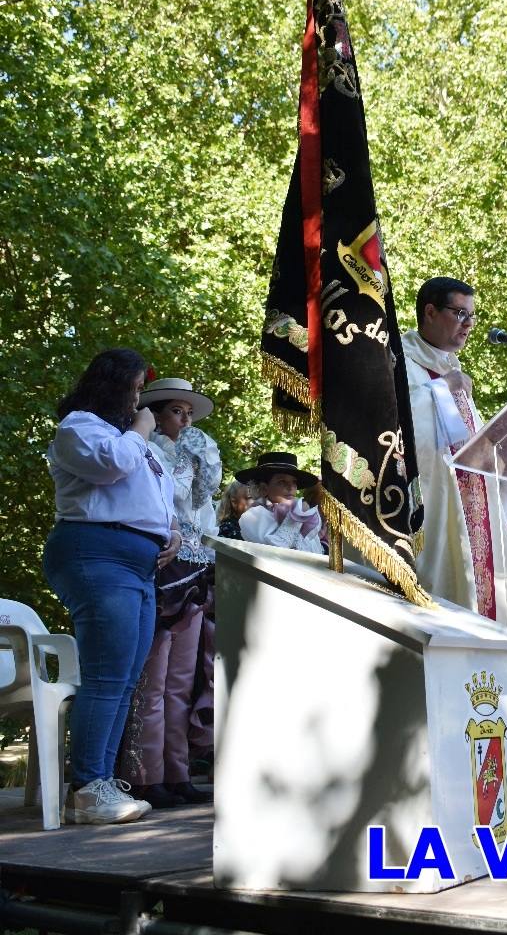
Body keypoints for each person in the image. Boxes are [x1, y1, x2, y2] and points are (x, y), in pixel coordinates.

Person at [43, 348, 180, 825]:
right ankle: (86, 788)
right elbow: (112, 467)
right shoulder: (79, 427)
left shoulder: (133, 440)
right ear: (114, 385)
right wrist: (142, 429)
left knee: (123, 679)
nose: (141, 400)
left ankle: (99, 783)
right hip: (95, 552)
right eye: (137, 388)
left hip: (139, 563)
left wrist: (172, 532)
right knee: (106, 675)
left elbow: (156, 498)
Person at [400, 277, 507, 629]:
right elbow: (402, 432)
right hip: (437, 516)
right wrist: (440, 391)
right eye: (460, 313)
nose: (469, 324)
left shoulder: (452, 372)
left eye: (472, 315)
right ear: (430, 312)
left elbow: (474, 449)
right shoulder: (400, 363)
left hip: (476, 517)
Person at [119, 377, 221, 808]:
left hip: (197, 565)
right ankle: (143, 776)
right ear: (156, 415)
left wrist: (201, 459)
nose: (186, 419)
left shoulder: (197, 452)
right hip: (162, 564)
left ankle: (177, 774)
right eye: (177, 411)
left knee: (182, 678)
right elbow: (162, 504)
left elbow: (204, 501)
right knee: (153, 678)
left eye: (189, 412)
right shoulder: (146, 450)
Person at [235, 453, 325, 553]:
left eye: (294, 482)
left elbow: (316, 553)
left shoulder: (306, 515)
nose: (291, 487)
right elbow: (278, 553)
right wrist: (297, 516)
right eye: (282, 482)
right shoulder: (253, 516)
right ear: (264, 489)